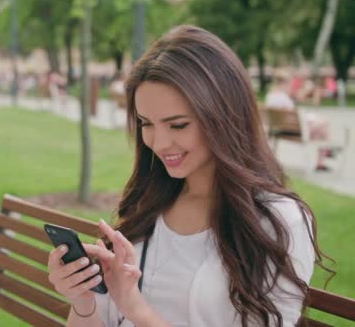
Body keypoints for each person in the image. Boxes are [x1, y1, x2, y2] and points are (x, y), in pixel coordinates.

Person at [47, 25, 333, 326]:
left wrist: (135, 308)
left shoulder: (278, 221)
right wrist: (82, 301)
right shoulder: (147, 204)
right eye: (146, 123)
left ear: (223, 117)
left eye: (178, 125)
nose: (158, 143)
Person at [265, 75, 333, 171]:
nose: (290, 87)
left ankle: (325, 153)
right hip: (295, 131)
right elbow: (294, 116)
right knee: (324, 125)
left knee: (321, 130)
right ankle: (322, 160)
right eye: (289, 84)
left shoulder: (270, 96)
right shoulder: (283, 97)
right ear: (283, 83)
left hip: (279, 130)